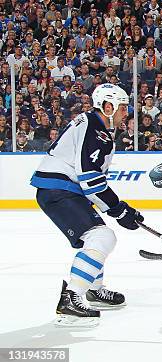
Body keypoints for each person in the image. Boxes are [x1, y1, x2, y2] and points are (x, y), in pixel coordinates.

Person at [29, 83, 144, 327]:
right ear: (108, 106)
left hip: (63, 188)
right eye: (123, 108)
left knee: (96, 237)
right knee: (102, 237)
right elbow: (90, 178)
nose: (126, 113)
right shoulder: (94, 129)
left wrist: (118, 209)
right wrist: (119, 208)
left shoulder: (92, 124)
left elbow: (89, 180)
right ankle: (71, 298)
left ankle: (93, 289)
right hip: (58, 189)